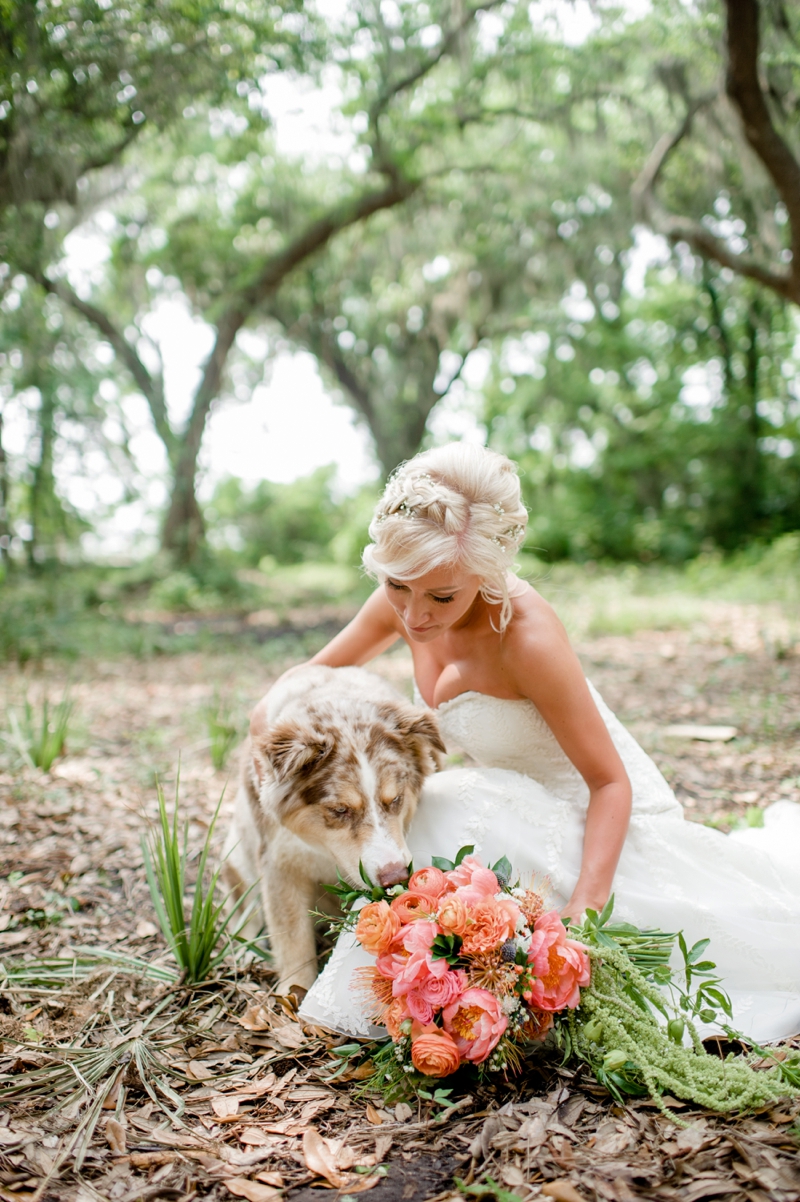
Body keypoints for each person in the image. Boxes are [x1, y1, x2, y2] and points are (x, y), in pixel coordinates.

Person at [251, 443, 800, 1043]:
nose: (413, 616)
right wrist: (269, 720)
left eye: (441, 598)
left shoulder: (526, 637)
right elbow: (309, 673)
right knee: (434, 814)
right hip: (510, 806)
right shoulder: (411, 591)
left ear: (485, 574)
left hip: (601, 818)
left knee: (444, 807)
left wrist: (584, 911)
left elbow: (609, 784)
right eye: (396, 587)